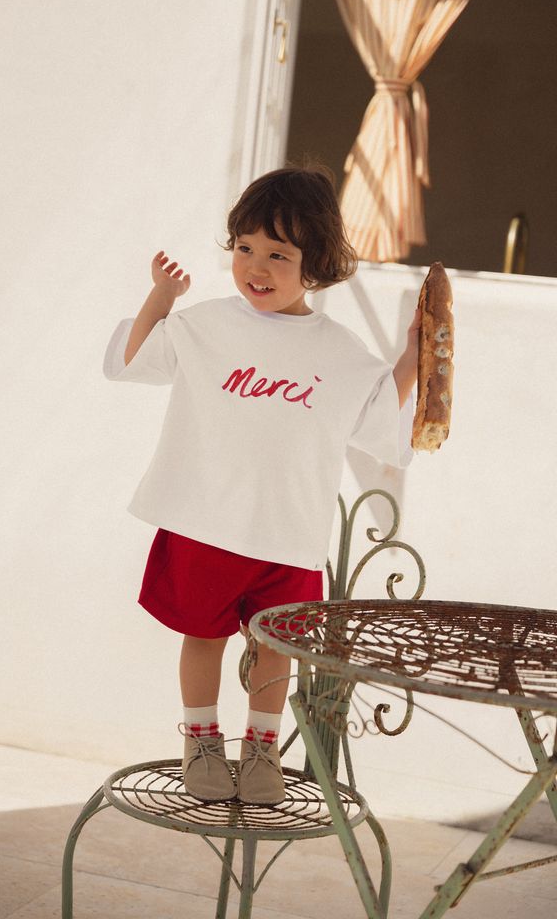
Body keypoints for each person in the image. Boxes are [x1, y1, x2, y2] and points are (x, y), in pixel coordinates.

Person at [103, 165, 419, 805]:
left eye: (279, 253)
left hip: (286, 531)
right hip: (206, 522)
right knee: (204, 636)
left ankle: (262, 753)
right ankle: (201, 741)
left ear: (318, 264)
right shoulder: (207, 325)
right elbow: (129, 363)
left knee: (276, 648)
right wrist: (161, 298)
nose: (258, 266)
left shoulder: (339, 352)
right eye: (246, 248)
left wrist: (418, 351)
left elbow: (378, 410)